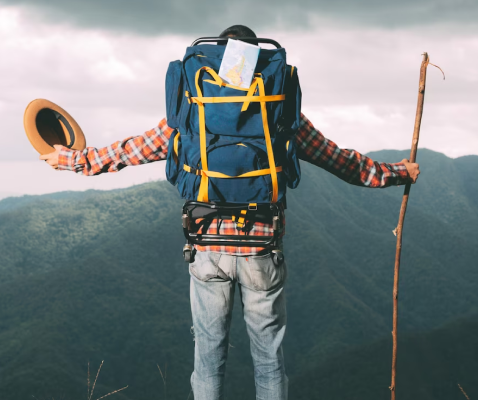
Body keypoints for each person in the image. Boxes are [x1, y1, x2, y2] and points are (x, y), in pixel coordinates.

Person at [40, 24, 420, 400]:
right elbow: (340, 160)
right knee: (269, 361)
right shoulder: (277, 109)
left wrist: (72, 159)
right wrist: (397, 172)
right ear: (259, 62)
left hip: (207, 246)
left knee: (208, 360)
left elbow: (130, 151)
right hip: (261, 249)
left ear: (218, 58)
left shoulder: (194, 108)